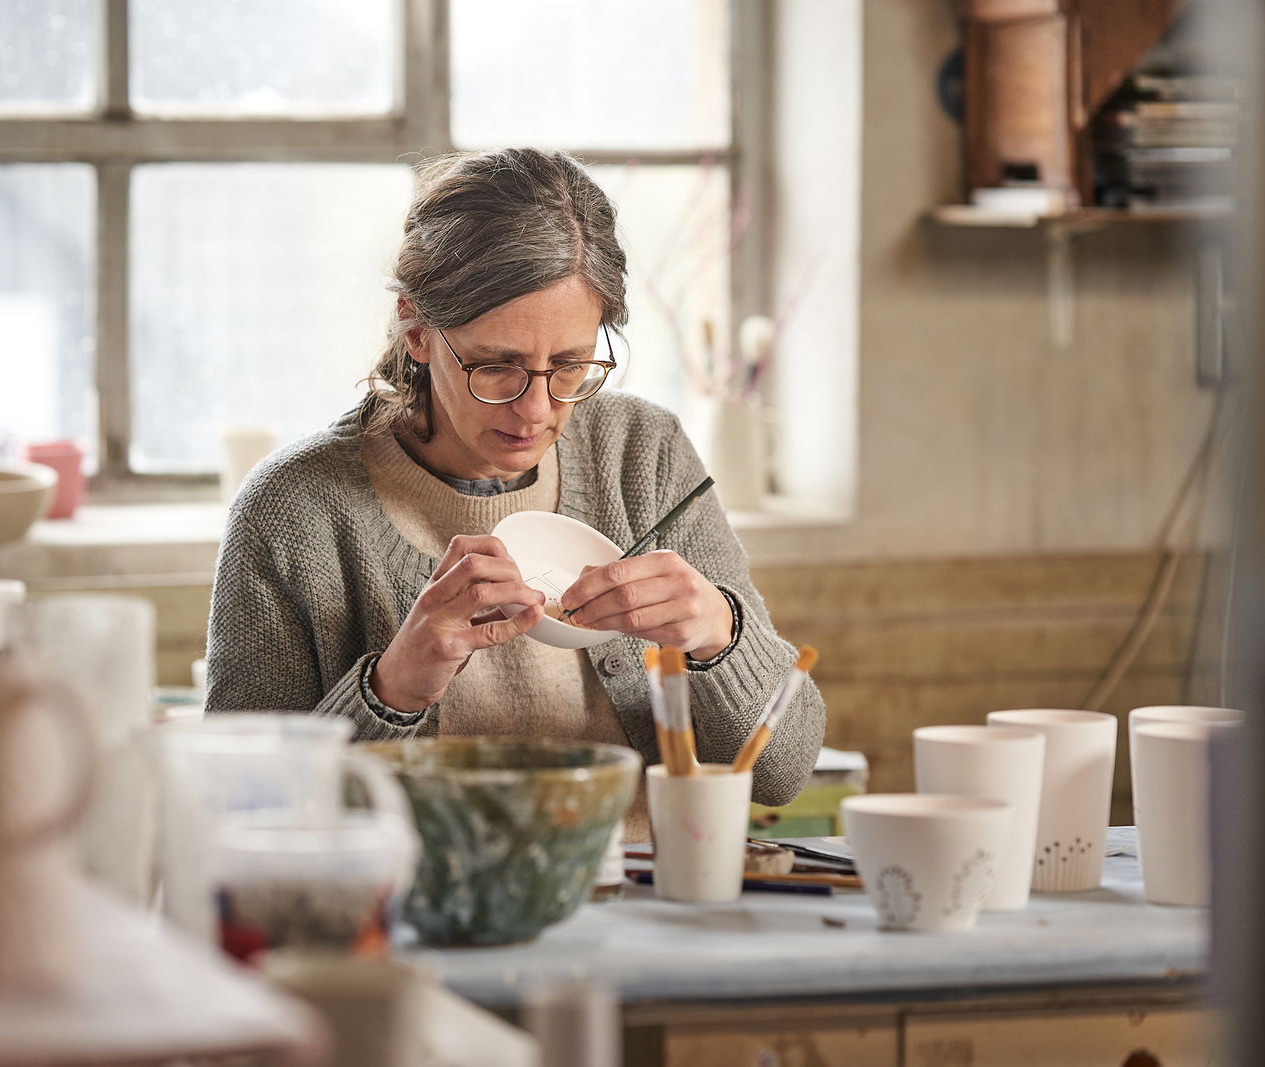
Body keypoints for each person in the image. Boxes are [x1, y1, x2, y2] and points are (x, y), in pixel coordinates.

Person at [205, 147, 824, 821]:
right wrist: (392, 689)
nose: (535, 410)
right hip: (421, 891)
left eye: (570, 365)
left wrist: (718, 632)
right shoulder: (293, 509)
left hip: (642, 884)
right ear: (417, 330)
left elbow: (784, 771)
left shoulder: (642, 455)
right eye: (497, 366)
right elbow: (240, 807)